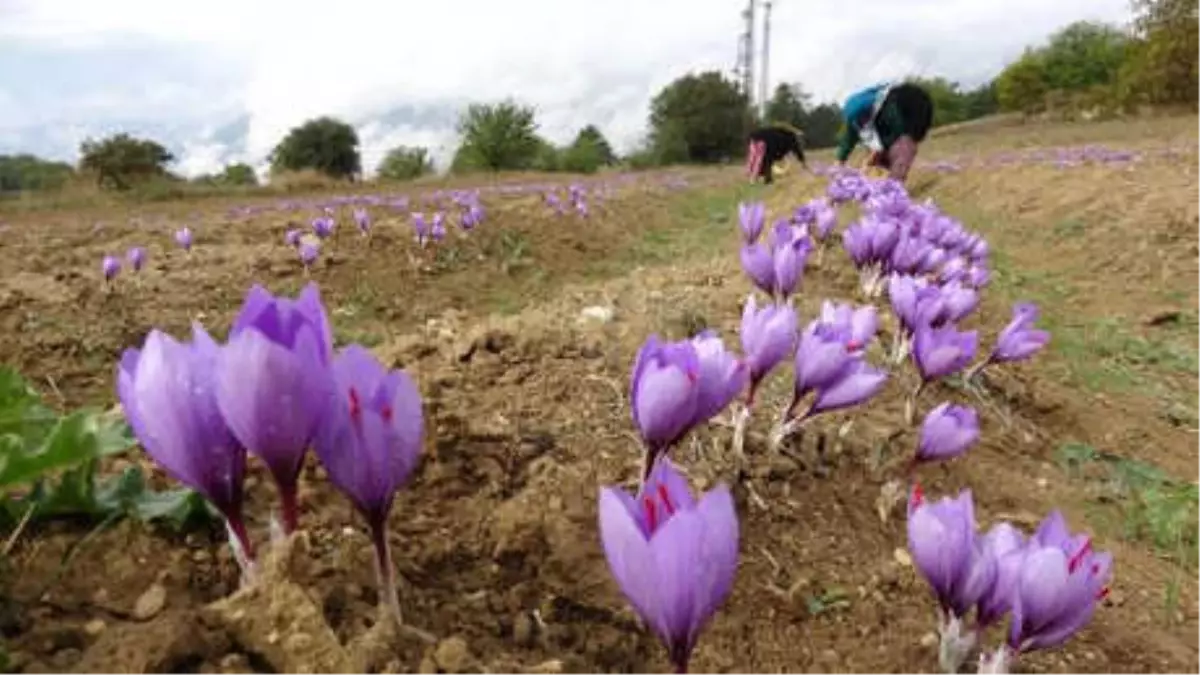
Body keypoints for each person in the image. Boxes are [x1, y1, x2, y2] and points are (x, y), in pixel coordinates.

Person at [835, 81, 934, 183]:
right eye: (857, 121)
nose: (860, 122)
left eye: (862, 119)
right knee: (875, 158)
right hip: (883, 141)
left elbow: (898, 133)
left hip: (903, 134)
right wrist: (840, 161)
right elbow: (848, 140)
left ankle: (893, 186)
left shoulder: (888, 109)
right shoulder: (854, 118)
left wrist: (875, 153)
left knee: (902, 150)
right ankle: (875, 181)